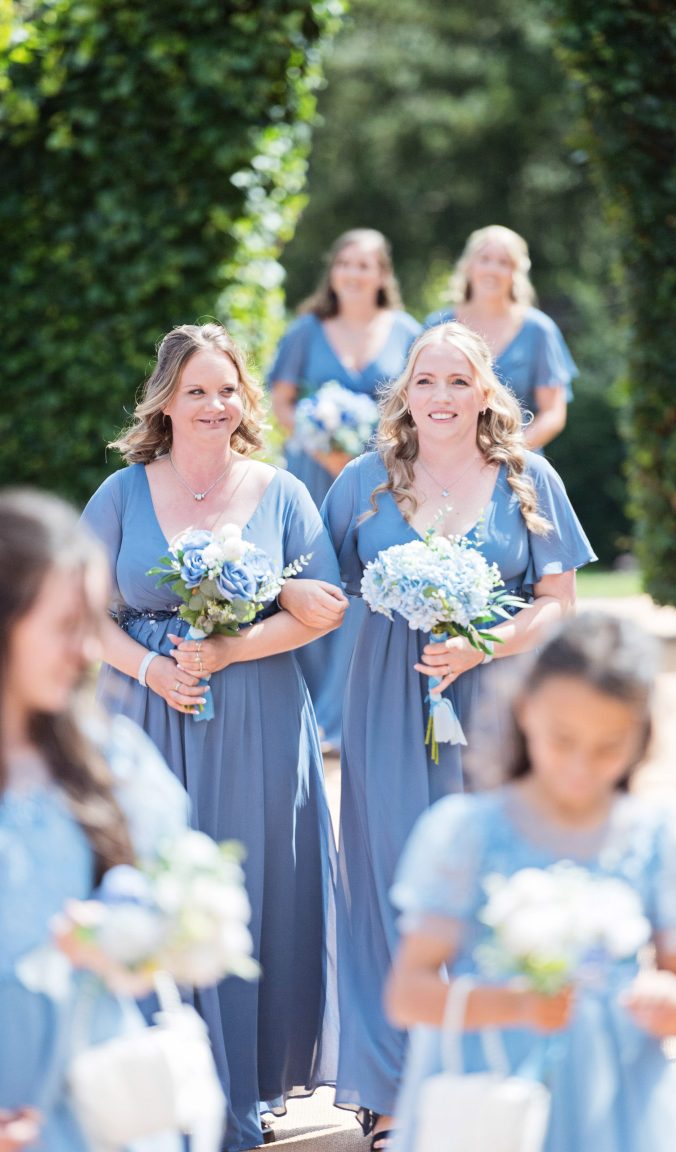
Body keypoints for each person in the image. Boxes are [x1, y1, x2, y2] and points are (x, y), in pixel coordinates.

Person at [311, 321, 595, 1148]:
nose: (441, 397)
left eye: (458, 381)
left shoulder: (528, 477)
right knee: (391, 882)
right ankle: (391, 1087)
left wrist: (483, 644)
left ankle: (494, 1072)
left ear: (484, 394)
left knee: (496, 881)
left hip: (497, 705)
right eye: (426, 380)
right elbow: (315, 588)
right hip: (387, 702)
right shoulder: (362, 482)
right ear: (405, 392)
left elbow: (558, 603)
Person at [81, 322, 345, 1151]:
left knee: (253, 886)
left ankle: (247, 1086)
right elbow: (80, 613)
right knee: (151, 885)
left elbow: (324, 607)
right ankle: (154, 1091)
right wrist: (150, 670)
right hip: (144, 714)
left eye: (227, 389)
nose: (214, 404)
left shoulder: (282, 492)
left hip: (259, 713)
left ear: (245, 400)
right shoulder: (121, 494)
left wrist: (233, 646)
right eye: (196, 390)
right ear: (165, 400)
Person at [386, 611, 676, 1152]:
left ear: (641, 736)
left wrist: (669, 1001)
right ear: (525, 710)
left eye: (609, 747)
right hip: (495, 1092)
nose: (582, 766)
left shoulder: (657, 840)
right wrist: (515, 1005)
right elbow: (408, 995)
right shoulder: (467, 837)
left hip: (616, 1100)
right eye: (563, 740)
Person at [0, 488, 188, 1152]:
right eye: (64, 625)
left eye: (92, 623)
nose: (87, 651)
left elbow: (178, 924)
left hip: (102, 1113)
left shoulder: (113, 760)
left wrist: (127, 942)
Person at [267, 228, 421, 751]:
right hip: (312, 472)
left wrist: (372, 451)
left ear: (382, 274)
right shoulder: (305, 331)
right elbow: (281, 400)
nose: (353, 274)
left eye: (365, 265)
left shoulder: (407, 331)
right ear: (332, 271)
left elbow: (417, 401)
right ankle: (306, 710)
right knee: (309, 575)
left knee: (365, 583)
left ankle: (345, 714)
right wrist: (322, 445)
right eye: (345, 263)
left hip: (381, 477)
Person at [424, 225, 577, 450]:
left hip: (516, 461)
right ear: (468, 266)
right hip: (444, 459)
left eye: (504, 263)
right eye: (484, 259)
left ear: (516, 273)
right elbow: (416, 397)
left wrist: (505, 453)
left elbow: (553, 413)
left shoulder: (539, 330)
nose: (492, 269)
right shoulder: (437, 325)